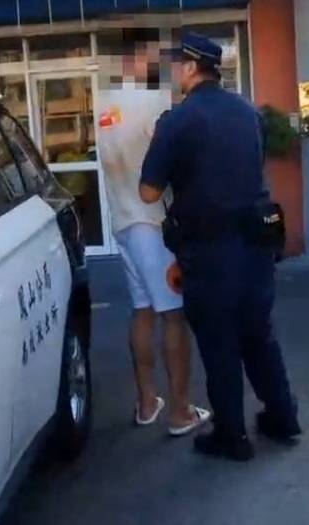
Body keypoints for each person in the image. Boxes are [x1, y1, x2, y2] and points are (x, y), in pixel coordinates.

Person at [139, 32, 301, 461]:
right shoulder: (249, 112)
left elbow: (149, 192)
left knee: (219, 342)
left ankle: (232, 436)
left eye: (175, 64)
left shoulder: (177, 121)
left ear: (191, 67)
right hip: (257, 244)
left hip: (210, 251)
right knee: (259, 334)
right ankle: (283, 417)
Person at [96, 28, 210, 436]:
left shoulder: (104, 106)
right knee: (173, 316)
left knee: (142, 312)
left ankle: (147, 403)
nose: (163, 65)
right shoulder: (155, 102)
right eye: (156, 56)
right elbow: (176, 158)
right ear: (138, 56)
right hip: (154, 224)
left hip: (124, 223)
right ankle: (180, 412)